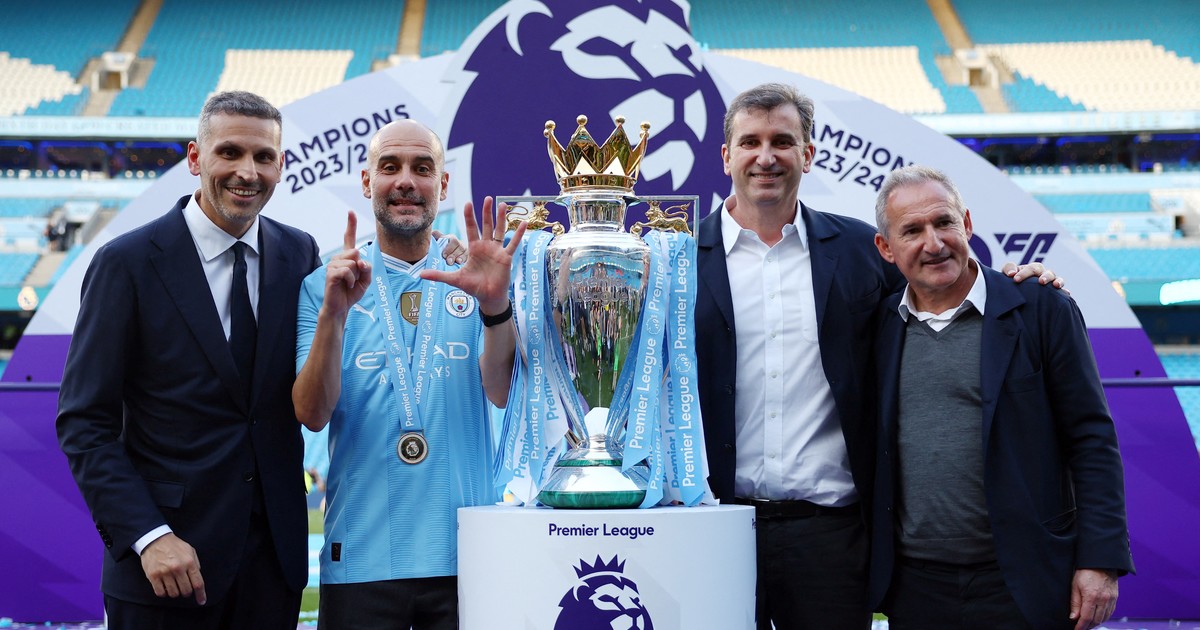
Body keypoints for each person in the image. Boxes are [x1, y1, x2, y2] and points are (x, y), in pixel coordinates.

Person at [695, 83, 1060, 630]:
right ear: (726, 156)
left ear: (808, 155)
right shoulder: (678, 257)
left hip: (832, 536)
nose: (766, 157)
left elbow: (940, 286)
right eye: (751, 142)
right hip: (716, 526)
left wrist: (1016, 279)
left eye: (783, 142)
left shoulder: (861, 251)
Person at [56, 91, 319, 628]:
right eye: (230, 153)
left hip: (272, 569)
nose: (248, 172)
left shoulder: (300, 254)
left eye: (264, 157)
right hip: (164, 568)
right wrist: (148, 536)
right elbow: (85, 423)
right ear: (196, 158)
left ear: (280, 166)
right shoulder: (125, 263)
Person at [868, 165, 1133, 629]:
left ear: (967, 224)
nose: (934, 243)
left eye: (944, 222)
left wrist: (1100, 560)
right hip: (916, 588)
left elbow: (1091, 438)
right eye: (912, 231)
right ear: (886, 248)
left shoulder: (1042, 308)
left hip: (1024, 581)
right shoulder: (878, 325)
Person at [293, 119, 523, 629]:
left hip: (467, 555)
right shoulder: (324, 286)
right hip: (361, 557)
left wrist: (495, 306)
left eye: (422, 168)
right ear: (366, 181)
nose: (405, 181)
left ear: (442, 184)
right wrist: (333, 316)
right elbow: (311, 413)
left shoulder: (477, 276)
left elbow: (502, 391)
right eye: (389, 167)